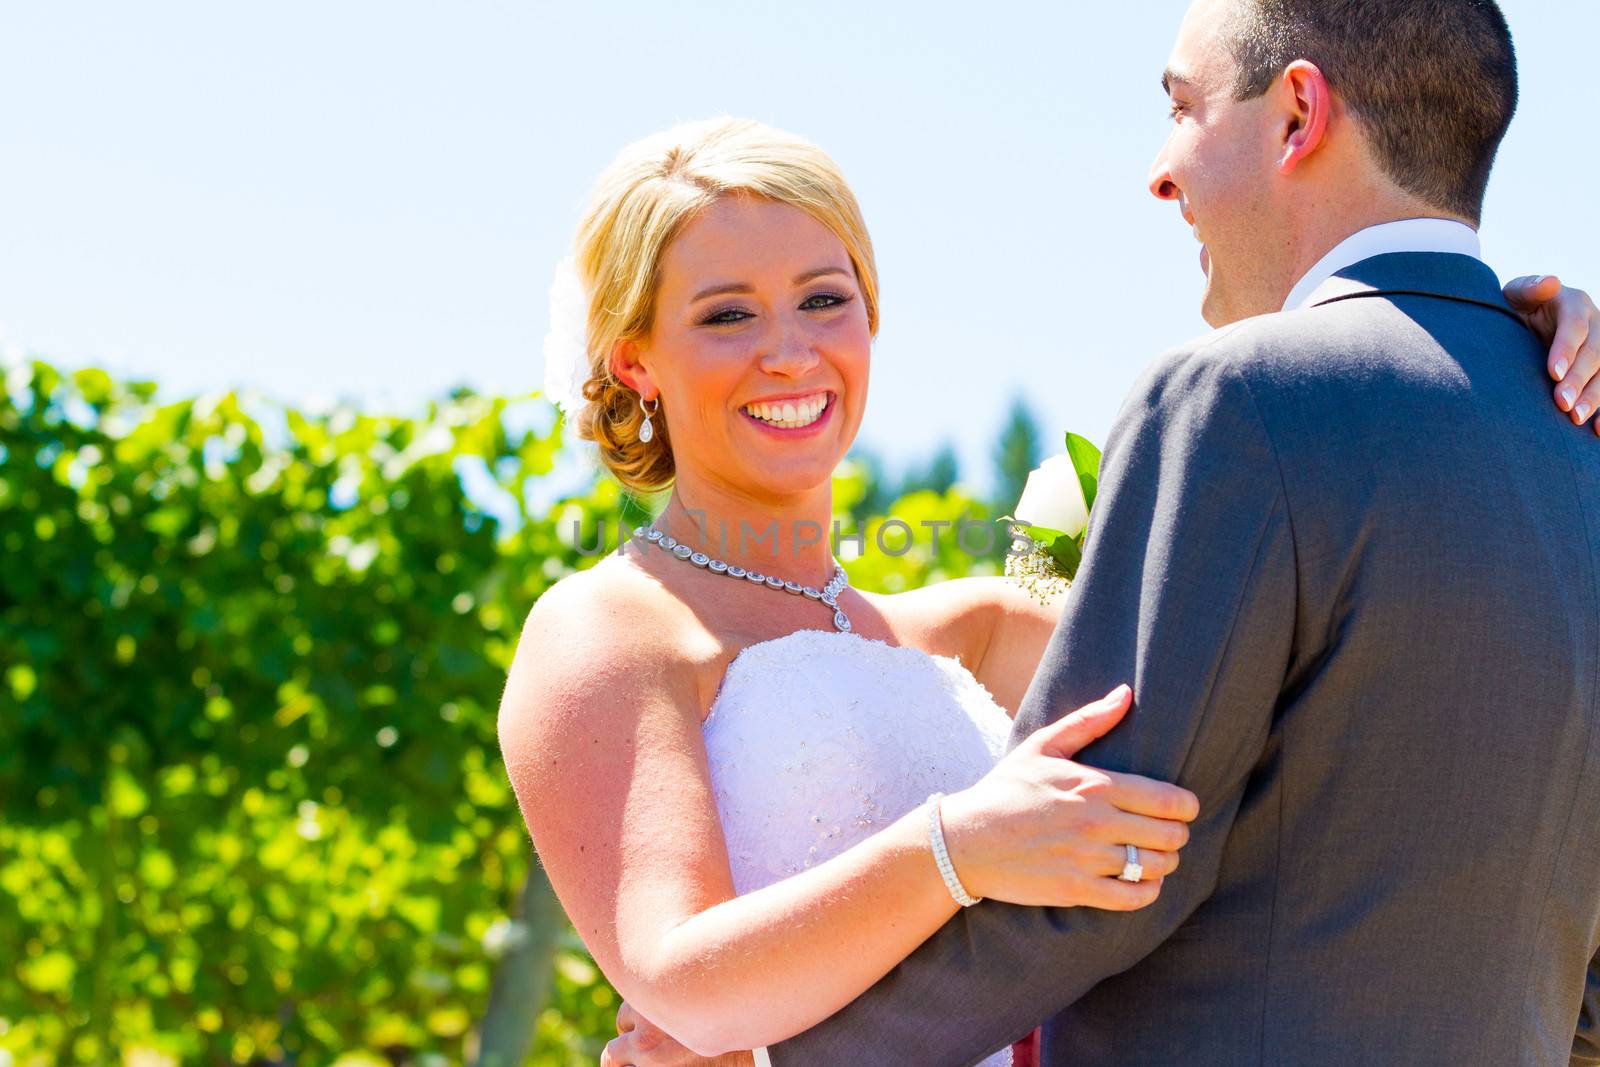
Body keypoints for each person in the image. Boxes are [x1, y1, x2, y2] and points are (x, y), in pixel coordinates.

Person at [498, 102, 1599, 1067]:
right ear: (635, 359)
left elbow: (1311, 655)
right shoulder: (609, 629)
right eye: (727, 313)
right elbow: (679, 982)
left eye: (824, 300)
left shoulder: (976, 629)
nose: (789, 351)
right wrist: (958, 845)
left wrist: (1497, 360)